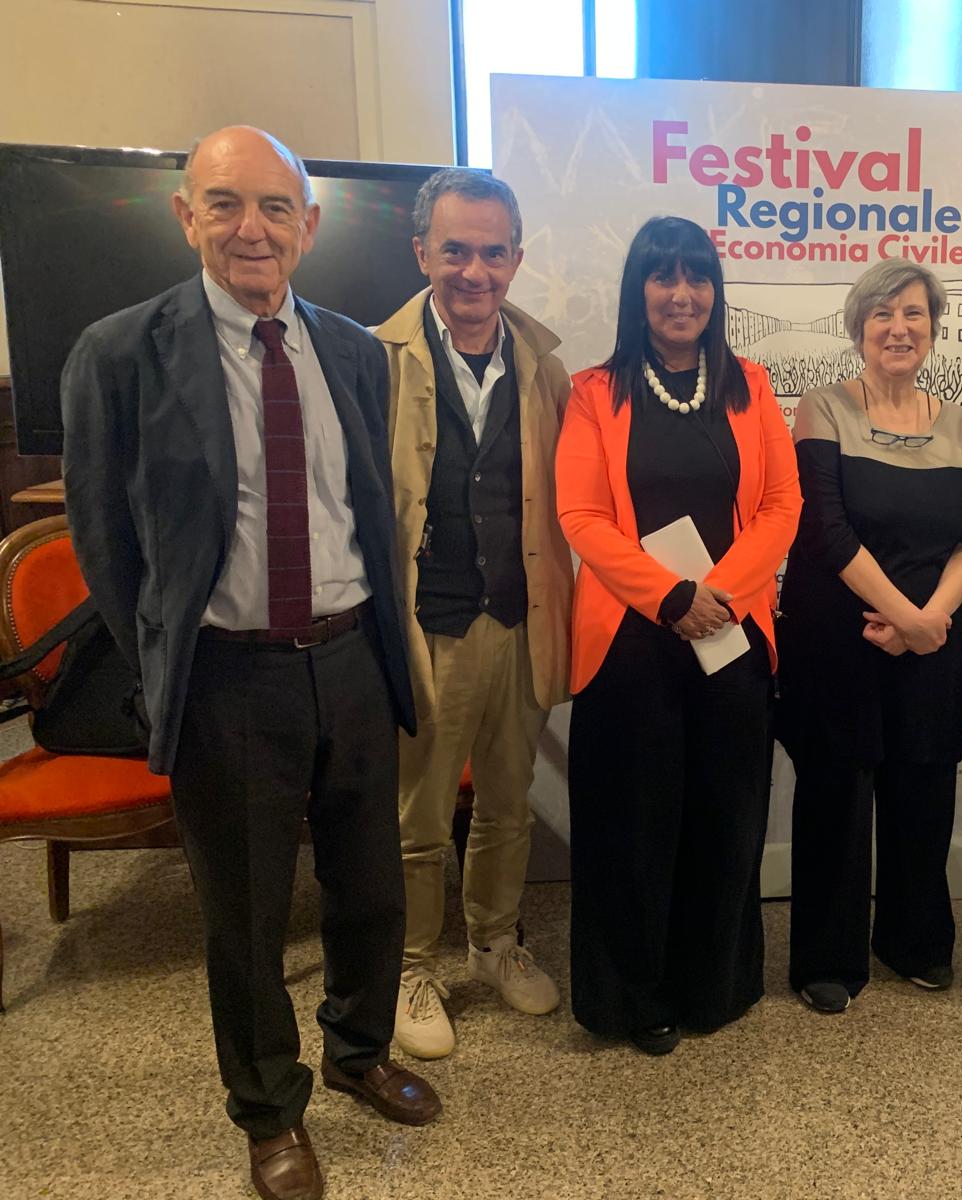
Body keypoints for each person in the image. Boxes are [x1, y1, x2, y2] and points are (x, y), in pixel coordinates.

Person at [60, 126, 438, 1200]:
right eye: (225, 203)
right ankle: (270, 1110)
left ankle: (359, 1051)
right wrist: (165, 661)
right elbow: (106, 540)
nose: (251, 229)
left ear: (308, 226)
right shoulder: (120, 353)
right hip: (229, 676)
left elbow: (367, 509)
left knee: (369, 890)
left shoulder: (353, 352)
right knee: (249, 915)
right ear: (186, 217)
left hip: (353, 660)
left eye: (276, 207)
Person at [554, 216, 800, 1055]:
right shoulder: (594, 391)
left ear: (715, 291)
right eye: (664, 276)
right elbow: (581, 515)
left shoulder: (751, 385)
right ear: (640, 290)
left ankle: (713, 986)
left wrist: (717, 595)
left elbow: (783, 506)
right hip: (630, 642)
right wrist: (669, 597)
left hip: (729, 637)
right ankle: (636, 998)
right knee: (633, 825)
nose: (682, 293)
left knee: (725, 818)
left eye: (697, 276)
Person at [373, 168, 573, 1060]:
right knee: (416, 819)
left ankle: (494, 943)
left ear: (516, 259)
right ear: (422, 252)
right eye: (455, 250)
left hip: (519, 621)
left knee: (507, 804)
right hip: (429, 626)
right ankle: (412, 967)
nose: (474, 271)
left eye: (493, 253)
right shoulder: (374, 360)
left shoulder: (544, 366)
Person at [777, 259, 962, 1014]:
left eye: (914, 314)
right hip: (841, 640)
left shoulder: (958, 422)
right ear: (858, 327)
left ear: (933, 328)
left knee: (924, 795)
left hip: (933, 641)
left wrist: (929, 619)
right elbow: (825, 530)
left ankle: (914, 941)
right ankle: (827, 958)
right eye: (883, 314)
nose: (899, 328)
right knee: (835, 798)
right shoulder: (822, 408)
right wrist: (906, 615)